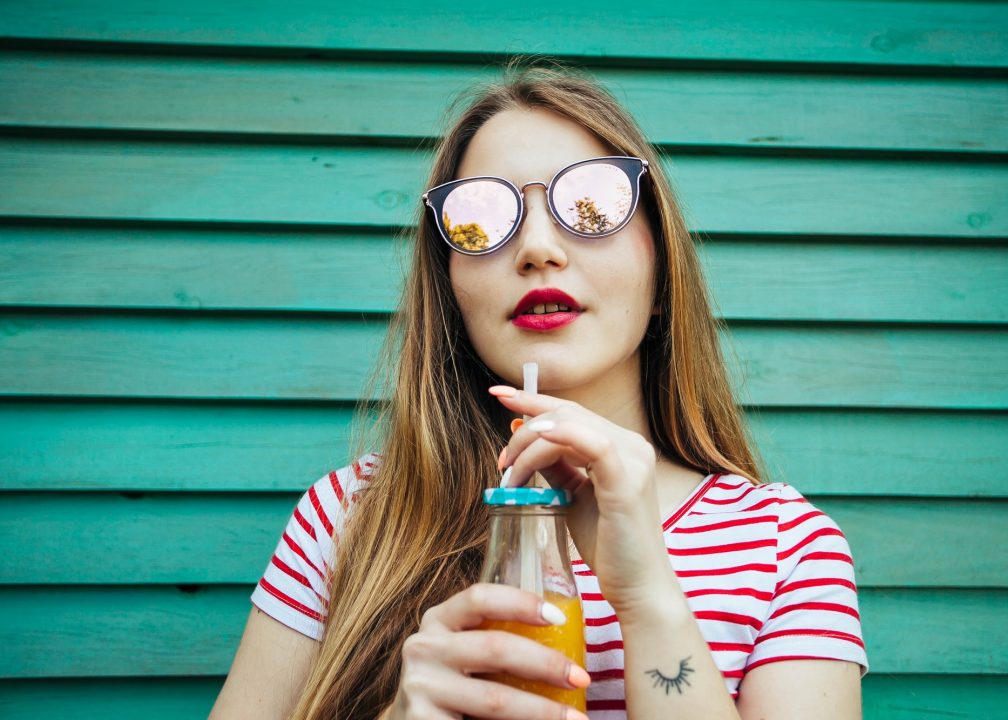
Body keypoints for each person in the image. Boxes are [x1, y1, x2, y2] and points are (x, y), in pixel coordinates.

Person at [210, 57, 867, 720]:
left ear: (662, 269)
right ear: (451, 290)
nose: (537, 248)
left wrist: (647, 598)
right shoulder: (351, 519)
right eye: (480, 218)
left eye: (594, 204)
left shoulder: (787, 547)